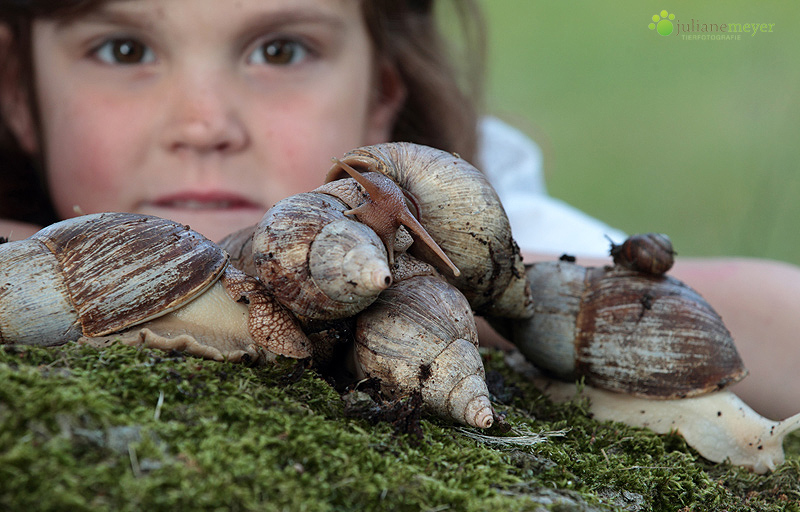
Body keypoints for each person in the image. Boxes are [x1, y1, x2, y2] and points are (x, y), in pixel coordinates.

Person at [0, 0, 798, 420]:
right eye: (124, 51)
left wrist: (473, 298)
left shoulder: (449, 206)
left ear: (384, 96)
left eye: (281, 50)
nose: (205, 122)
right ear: (18, 95)